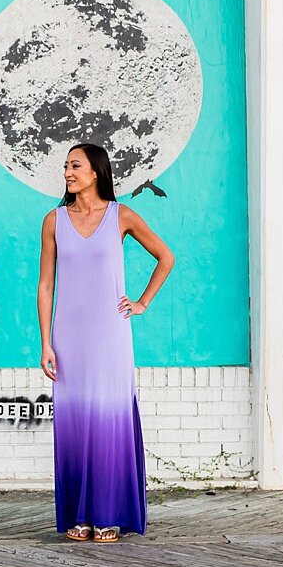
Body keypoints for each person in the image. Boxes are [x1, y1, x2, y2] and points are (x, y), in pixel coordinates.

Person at [37, 143, 174, 543]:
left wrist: (143, 302)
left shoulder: (122, 216)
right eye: (65, 166)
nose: (67, 172)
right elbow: (46, 285)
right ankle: (79, 514)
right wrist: (45, 343)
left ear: (96, 171)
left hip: (111, 336)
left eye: (75, 165)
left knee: (109, 424)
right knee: (76, 424)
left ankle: (109, 513)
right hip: (68, 337)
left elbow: (165, 257)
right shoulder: (53, 221)